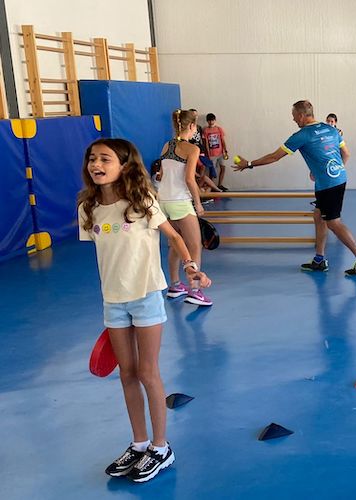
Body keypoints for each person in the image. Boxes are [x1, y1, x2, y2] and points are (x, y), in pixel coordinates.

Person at [77, 138, 212, 483]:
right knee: (127, 374)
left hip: (147, 296)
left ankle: (161, 447)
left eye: (105, 158)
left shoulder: (142, 202)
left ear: (124, 165)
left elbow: (175, 237)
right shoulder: (87, 207)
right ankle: (138, 444)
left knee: (148, 373)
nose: (97, 164)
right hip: (113, 300)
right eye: (93, 158)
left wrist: (191, 266)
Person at [233, 100, 356, 275]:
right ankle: (319, 259)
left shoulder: (302, 135)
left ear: (301, 115)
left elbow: (275, 157)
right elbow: (346, 153)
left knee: (333, 222)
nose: (293, 120)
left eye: (294, 116)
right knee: (319, 216)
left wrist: (249, 164)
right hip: (335, 179)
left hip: (329, 184)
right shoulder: (331, 129)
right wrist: (334, 169)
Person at [158, 109, 213, 306]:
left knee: (175, 243)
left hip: (163, 201)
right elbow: (189, 179)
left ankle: (174, 285)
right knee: (195, 246)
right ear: (192, 126)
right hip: (180, 201)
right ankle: (195, 290)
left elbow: (162, 175)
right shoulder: (192, 149)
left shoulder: (166, 146)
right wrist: (198, 203)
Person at [203, 113, 230, 191]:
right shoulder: (205, 130)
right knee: (212, 171)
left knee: (223, 168)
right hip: (212, 154)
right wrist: (208, 154)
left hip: (220, 153)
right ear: (207, 121)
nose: (211, 122)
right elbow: (206, 143)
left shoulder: (219, 129)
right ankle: (212, 186)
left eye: (212, 120)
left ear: (215, 120)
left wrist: (225, 150)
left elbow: (222, 140)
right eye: (209, 121)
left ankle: (220, 185)